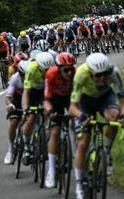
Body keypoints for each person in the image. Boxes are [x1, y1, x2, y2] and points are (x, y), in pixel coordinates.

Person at [69, 53, 124, 199]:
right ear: (90, 73)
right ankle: (80, 189)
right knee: (83, 144)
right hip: (85, 101)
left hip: (105, 98)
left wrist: (123, 115)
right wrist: (82, 116)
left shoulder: (114, 72)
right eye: (98, 76)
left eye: (105, 74)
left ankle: (107, 154)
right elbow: (72, 107)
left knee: (114, 117)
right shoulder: (81, 74)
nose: (102, 79)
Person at [43, 52, 76, 188]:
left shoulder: (75, 73)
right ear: (58, 68)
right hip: (54, 99)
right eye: (65, 70)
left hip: (70, 98)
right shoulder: (51, 74)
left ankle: (74, 153)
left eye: (71, 69)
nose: (69, 73)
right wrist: (50, 112)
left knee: (77, 122)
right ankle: (51, 169)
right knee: (55, 131)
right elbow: (46, 100)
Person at [22, 52, 55, 165]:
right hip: (33, 91)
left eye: (48, 69)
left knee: (47, 113)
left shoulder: (53, 68)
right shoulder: (31, 69)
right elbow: (26, 91)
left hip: (45, 92)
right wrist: (26, 108)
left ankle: (44, 135)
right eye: (44, 70)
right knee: (31, 118)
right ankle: (27, 146)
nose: (46, 72)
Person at [4, 61, 29, 164]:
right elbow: (7, 97)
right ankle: (10, 149)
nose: (24, 77)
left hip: (29, 98)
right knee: (14, 121)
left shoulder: (33, 77)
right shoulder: (15, 78)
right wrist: (10, 105)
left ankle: (30, 145)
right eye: (23, 75)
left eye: (26, 74)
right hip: (17, 99)